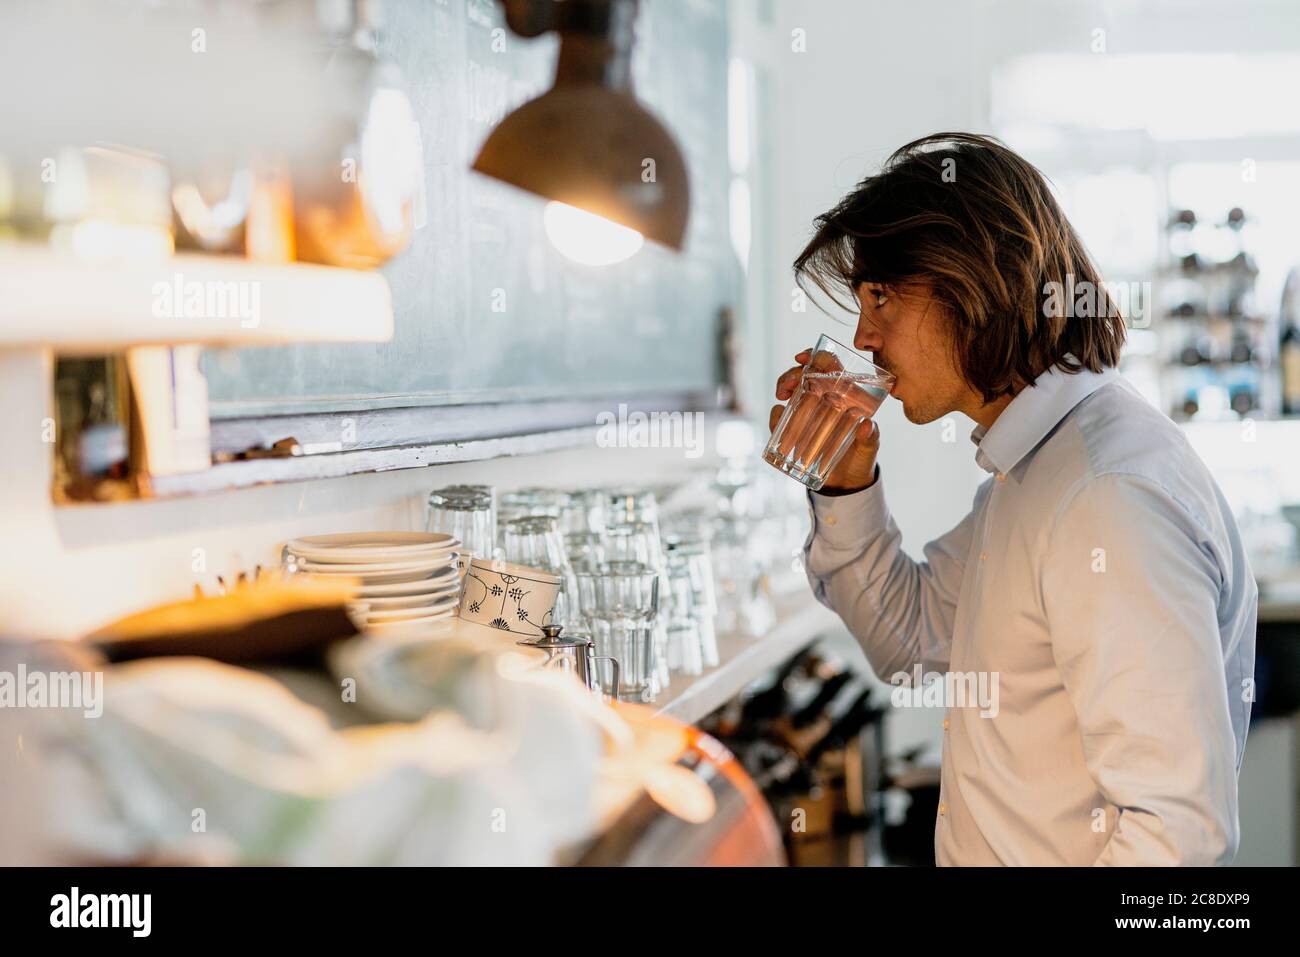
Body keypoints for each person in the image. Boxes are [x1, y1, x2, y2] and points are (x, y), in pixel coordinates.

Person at [772, 132, 1257, 866]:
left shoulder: (1103, 494)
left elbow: (1176, 833)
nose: (865, 335)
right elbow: (911, 642)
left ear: (975, 280)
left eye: (881, 296)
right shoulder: (1035, 468)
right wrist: (847, 482)